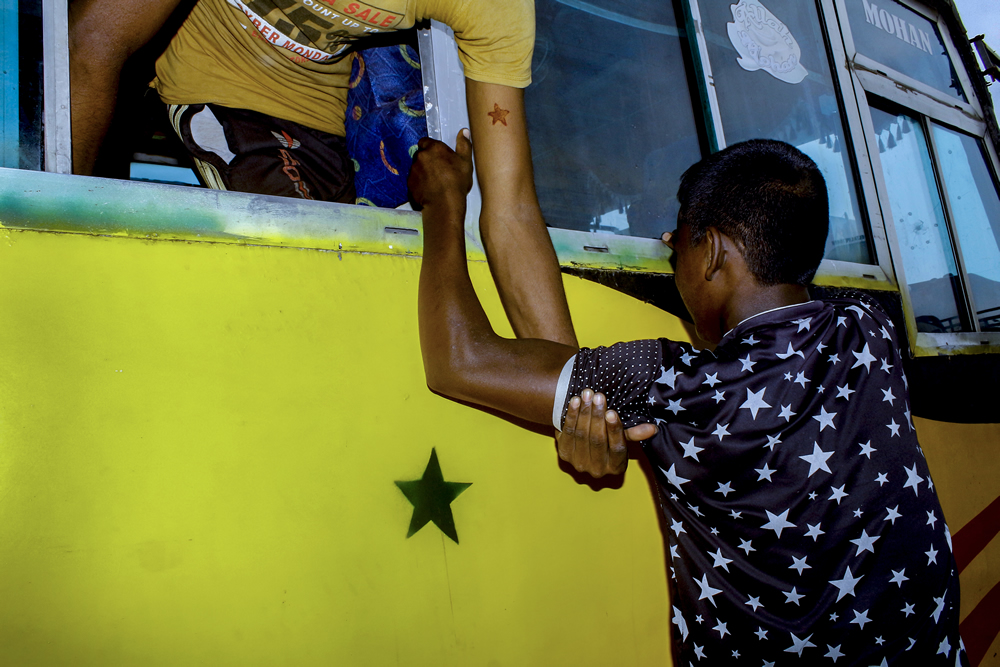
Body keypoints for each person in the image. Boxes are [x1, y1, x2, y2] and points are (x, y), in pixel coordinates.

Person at [409, 132, 967, 666]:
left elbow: (461, 361)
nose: (670, 251)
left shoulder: (674, 385)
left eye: (680, 237)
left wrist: (444, 205)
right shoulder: (867, 329)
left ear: (715, 253)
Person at [68, 0, 576, 347]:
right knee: (308, 294)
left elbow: (509, 208)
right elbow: (90, 45)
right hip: (221, 84)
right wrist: (62, 253)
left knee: (369, 313)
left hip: (331, 117)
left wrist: (574, 394)